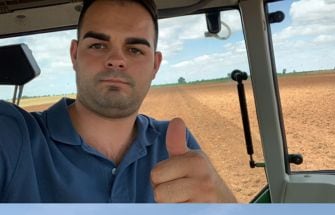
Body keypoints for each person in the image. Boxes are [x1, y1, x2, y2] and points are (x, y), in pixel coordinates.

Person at [0, 0, 236, 202]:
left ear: (155, 65)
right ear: (74, 55)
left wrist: (224, 203)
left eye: (134, 50)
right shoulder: (14, 134)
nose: (116, 60)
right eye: (98, 45)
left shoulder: (173, 143)